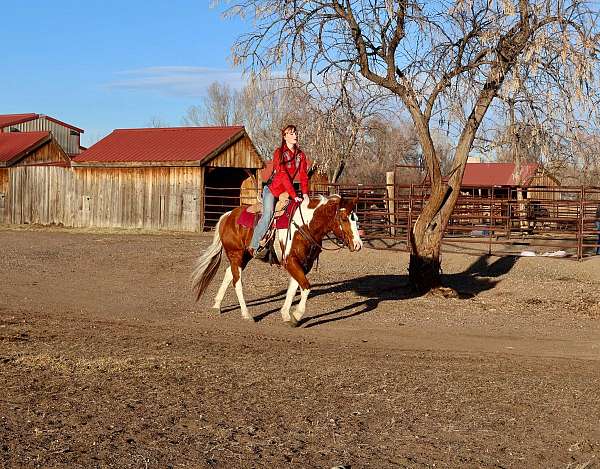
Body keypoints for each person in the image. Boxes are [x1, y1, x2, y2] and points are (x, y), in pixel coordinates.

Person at [249, 124, 309, 258]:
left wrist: (305, 194)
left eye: (295, 133)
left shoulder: (301, 155)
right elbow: (283, 175)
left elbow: (304, 176)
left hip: (286, 192)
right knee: (268, 213)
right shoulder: (279, 153)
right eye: (291, 134)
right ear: (285, 137)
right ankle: (254, 246)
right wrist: (294, 195)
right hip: (272, 190)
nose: (295, 136)